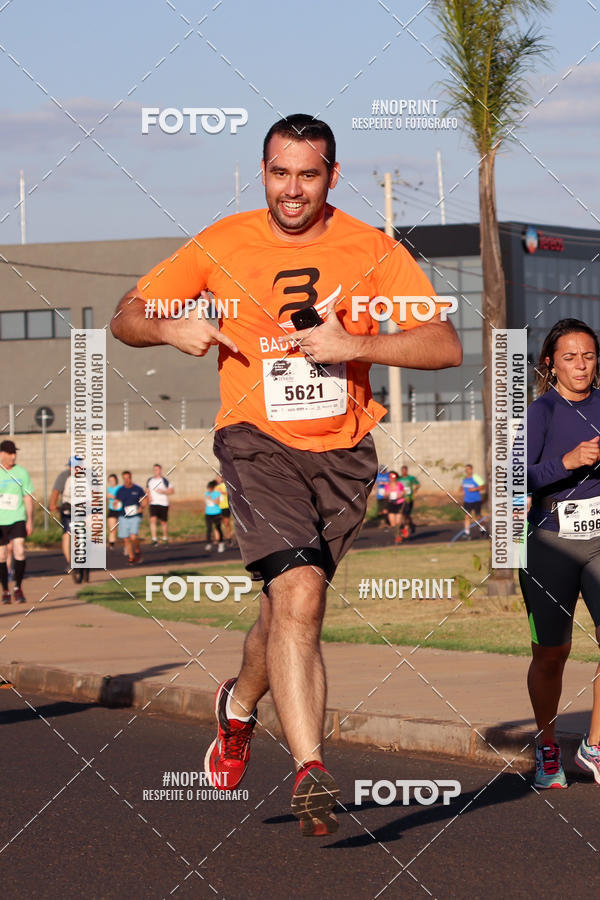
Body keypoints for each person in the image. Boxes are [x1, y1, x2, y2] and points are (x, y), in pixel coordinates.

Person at [111, 113, 462, 835]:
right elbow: (127, 313)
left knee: (281, 613)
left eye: (308, 174)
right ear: (261, 171)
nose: (292, 190)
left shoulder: (371, 248)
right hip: (255, 440)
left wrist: (354, 340)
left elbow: (443, 344)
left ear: (332, 175)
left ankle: (237, 708)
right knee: (299, 595)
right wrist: (170, 326)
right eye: (279, 172)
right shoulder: (221, 240)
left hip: (344, 453)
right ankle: (311, 768)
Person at [520, 318, 600, 789]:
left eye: (588, 356)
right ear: (551, 363)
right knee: (552, 654)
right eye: (570, 357)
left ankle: (593, 747)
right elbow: (516, 478)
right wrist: (567, 462)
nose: (581, 366)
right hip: (550, 540)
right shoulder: (540, 411)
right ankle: (547, 744)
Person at [0, 439, 33, 604]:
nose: (13, 457)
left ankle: (17, 588)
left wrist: (29, 520)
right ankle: (5, 590)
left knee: (19, 550)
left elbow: (27, 496)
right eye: (10, 453)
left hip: (18, 517)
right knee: (2, 555)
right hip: (0, 521)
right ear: (2, 454)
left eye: (15, 453)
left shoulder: (21, 472)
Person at [49, 456, 89, 583]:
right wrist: (53, 504)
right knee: (66, 534)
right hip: (67, 508)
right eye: (71, 467)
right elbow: (56, 491)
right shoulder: (64, 476)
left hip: (82, 508)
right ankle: (70, 562)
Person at [115, 471, 146, 565]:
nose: (126, 480)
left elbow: (144, 500)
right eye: (124, 478)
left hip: (135, 516)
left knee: (133, 536)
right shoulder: (120, 490)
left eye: (128, 478)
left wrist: (142, 507)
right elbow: (117, 501)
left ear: (131, 477)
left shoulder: (137, 489)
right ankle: (131, 557)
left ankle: (137, 550)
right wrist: (115, 504)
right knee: (126, 538)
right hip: (124, 516)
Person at [147, 463, 174, 545]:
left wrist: (163, 491)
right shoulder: (150, 480)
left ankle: (165, 537)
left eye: (157, 469)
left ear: (160, 470)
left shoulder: (164, 480)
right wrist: (148, 497)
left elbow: (172, 491)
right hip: (153, 503)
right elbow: (147, 490)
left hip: (163, 503)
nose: (156, 471)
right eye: (154, 469)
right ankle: (154, 539)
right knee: (152, 520)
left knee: (163, 522)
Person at [461, 464, 485, 539]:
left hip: (476, 500)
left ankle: (482, 528)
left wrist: (474, 489)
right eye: (466, 469)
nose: (467, 471)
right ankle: (467, 533)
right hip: (467, 501)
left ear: (471, 470)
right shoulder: (464, 478)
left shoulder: (476, 477)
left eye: (468, 469)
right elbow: (462, 487)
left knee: (478, 516)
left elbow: (483, 486)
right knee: (467, 516)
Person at [384, 471, 405, 544]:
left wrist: (399, 496)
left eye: (393, 477)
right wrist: (387, 495)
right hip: (391, 504)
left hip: (399, 503)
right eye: (390, 477)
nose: (391, 479)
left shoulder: (399, 484)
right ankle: (397, 536)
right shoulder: (387, 485)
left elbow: (403, 493)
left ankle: (402, 528)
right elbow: (385, 494)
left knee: (398, 522)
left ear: (396, 477)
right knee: (392, 523)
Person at [399, 464, 420, 538]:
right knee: (403, 514)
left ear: (407, 471)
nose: (404, 472)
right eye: (403, 470)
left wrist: (414, 490)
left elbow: (418, 484)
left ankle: (407, 528)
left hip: (409, 498)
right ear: (401, 471)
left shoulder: (411, 478)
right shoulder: (399, 478)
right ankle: (411, 525)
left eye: (405, 470)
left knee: (406, 514)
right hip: (401, 499)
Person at [204, 480, 225, 553]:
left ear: (213, 488)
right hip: (208, 514)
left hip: (216, 513)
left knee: (218, 528)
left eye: (210, 488)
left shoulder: (217, 493)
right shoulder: (206, 493)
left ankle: (221, 544)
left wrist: (211, 499)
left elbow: (218, 502)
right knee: (209, 529)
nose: (208, 489)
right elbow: (206, 503)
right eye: (208, 488)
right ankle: (208, 544)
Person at [215, 475, 233, 545]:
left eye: (219, 477)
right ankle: (218, 539)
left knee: (226, 523)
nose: (218, 479)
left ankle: (229, 537)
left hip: (225, 507)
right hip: (217, 508)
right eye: (217, 478)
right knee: (217, 524)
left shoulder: (225, 485)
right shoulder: (215, 487)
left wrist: (222, 492)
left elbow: (229, 494)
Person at [106, 473, 121, 549]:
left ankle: (125, 542)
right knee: (112, 528)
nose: (111, 482)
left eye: (112, 480)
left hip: (120, 510)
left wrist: (115, 497)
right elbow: (106, 497)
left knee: (121, 528)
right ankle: (111, 544)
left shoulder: (120, 488)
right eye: (110, 481)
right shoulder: (108, 489)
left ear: (116, 480)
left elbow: (122, 497)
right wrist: (107, 497)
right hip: (112, 510)